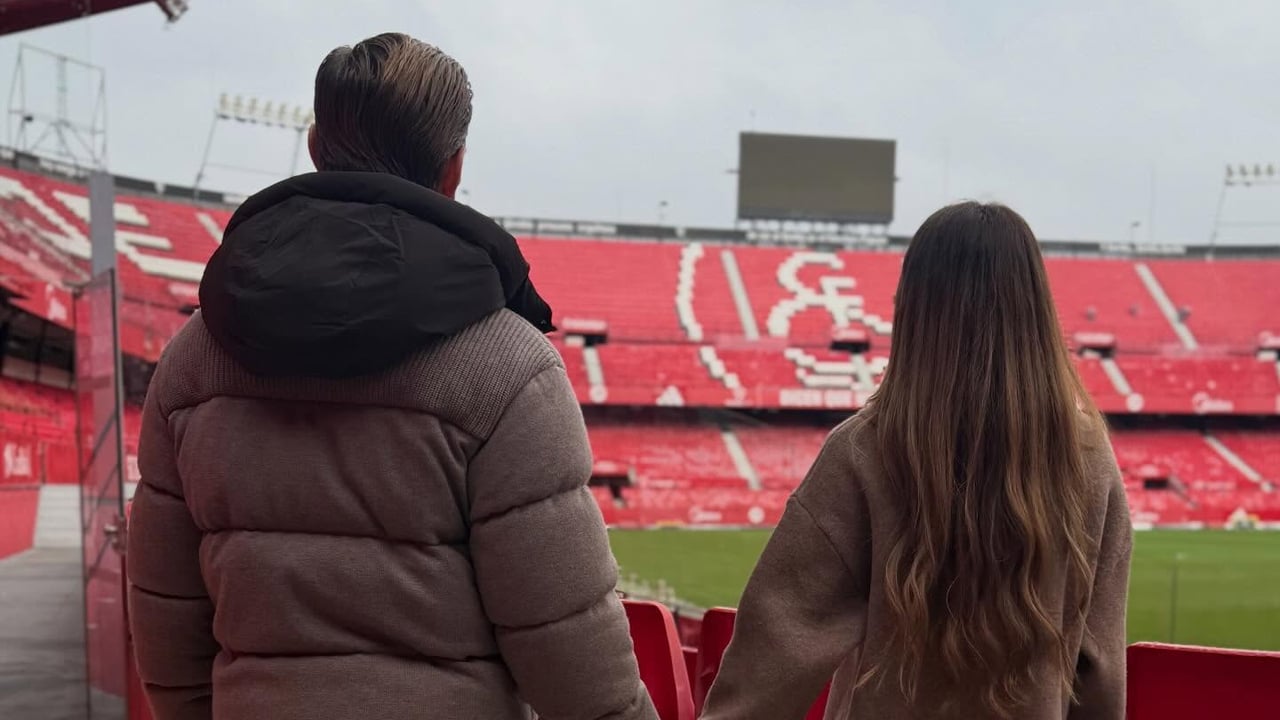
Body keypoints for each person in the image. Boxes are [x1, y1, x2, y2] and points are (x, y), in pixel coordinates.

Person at [127, 33, 657, 720]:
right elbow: (569, 648)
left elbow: (165, 610)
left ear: (315, 147)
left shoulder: (193, 359)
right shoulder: (509, 366)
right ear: (453, 168)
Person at [700, 202, 1132, 719]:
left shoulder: (862, 451)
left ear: (911, 307)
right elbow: (1098, 672)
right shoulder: (1089, 459)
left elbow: (772, 654)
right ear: (1037, 311)